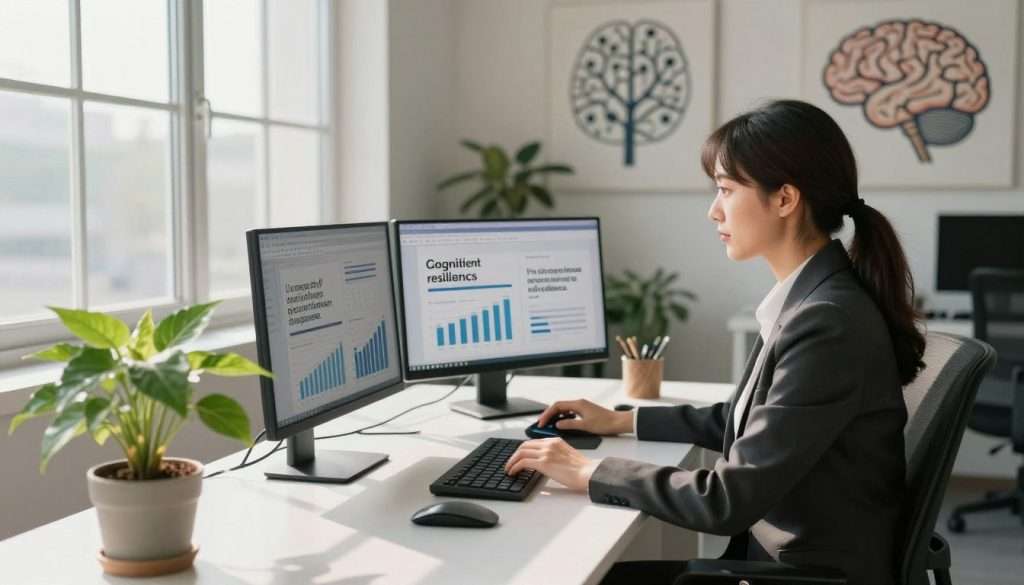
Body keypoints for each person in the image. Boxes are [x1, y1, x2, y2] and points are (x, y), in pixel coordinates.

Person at [504, 99, 926, 585]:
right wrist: (623, 419)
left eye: (725, 189)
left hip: (804, 574)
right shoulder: (816, 298)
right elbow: (747, 420)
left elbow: (723, 501)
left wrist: (590, 472)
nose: (713, 210)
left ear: (785, 199)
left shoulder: (826, 321)